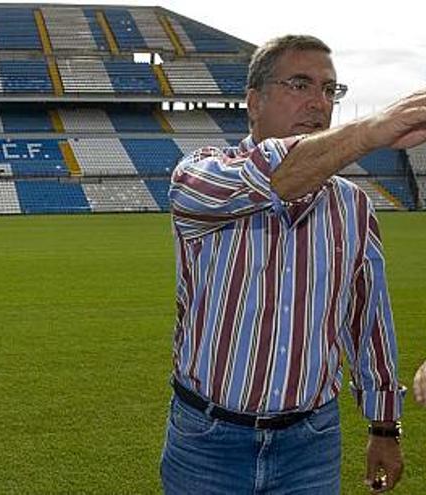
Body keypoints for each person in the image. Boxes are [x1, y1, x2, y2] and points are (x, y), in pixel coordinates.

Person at [162, 34, 426, 494]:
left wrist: (385, 428)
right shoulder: (201, 177)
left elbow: (368, 324)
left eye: (329, 90)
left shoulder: (353, 206)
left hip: (311, 444)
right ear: (253, 102)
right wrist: (372, 131)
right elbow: (273, 176)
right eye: (300, 85)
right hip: (207, 441)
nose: (318, 102)